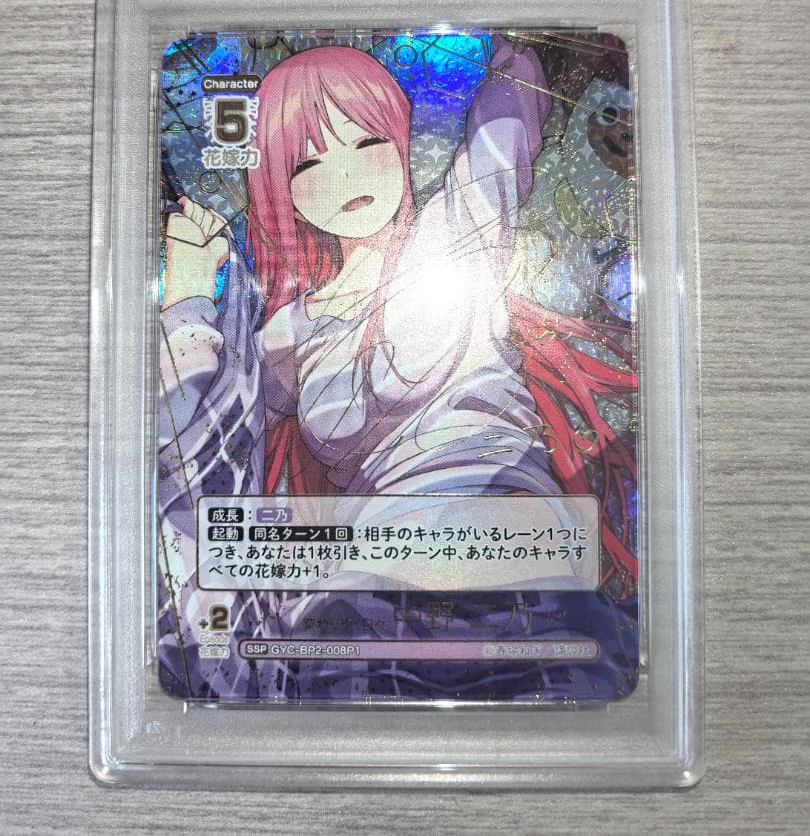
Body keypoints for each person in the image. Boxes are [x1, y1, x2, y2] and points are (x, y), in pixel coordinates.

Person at [157, 35, 637, 701]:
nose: (348, 175)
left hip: (506, 553)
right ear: (281, 187)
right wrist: (186, 295)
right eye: (310, 161)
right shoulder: (288, 333)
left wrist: (524, 41)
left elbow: (506, 116)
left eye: (368, 142)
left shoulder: (455, 234)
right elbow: (205, 444)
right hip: (364, 595)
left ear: (399, 141)